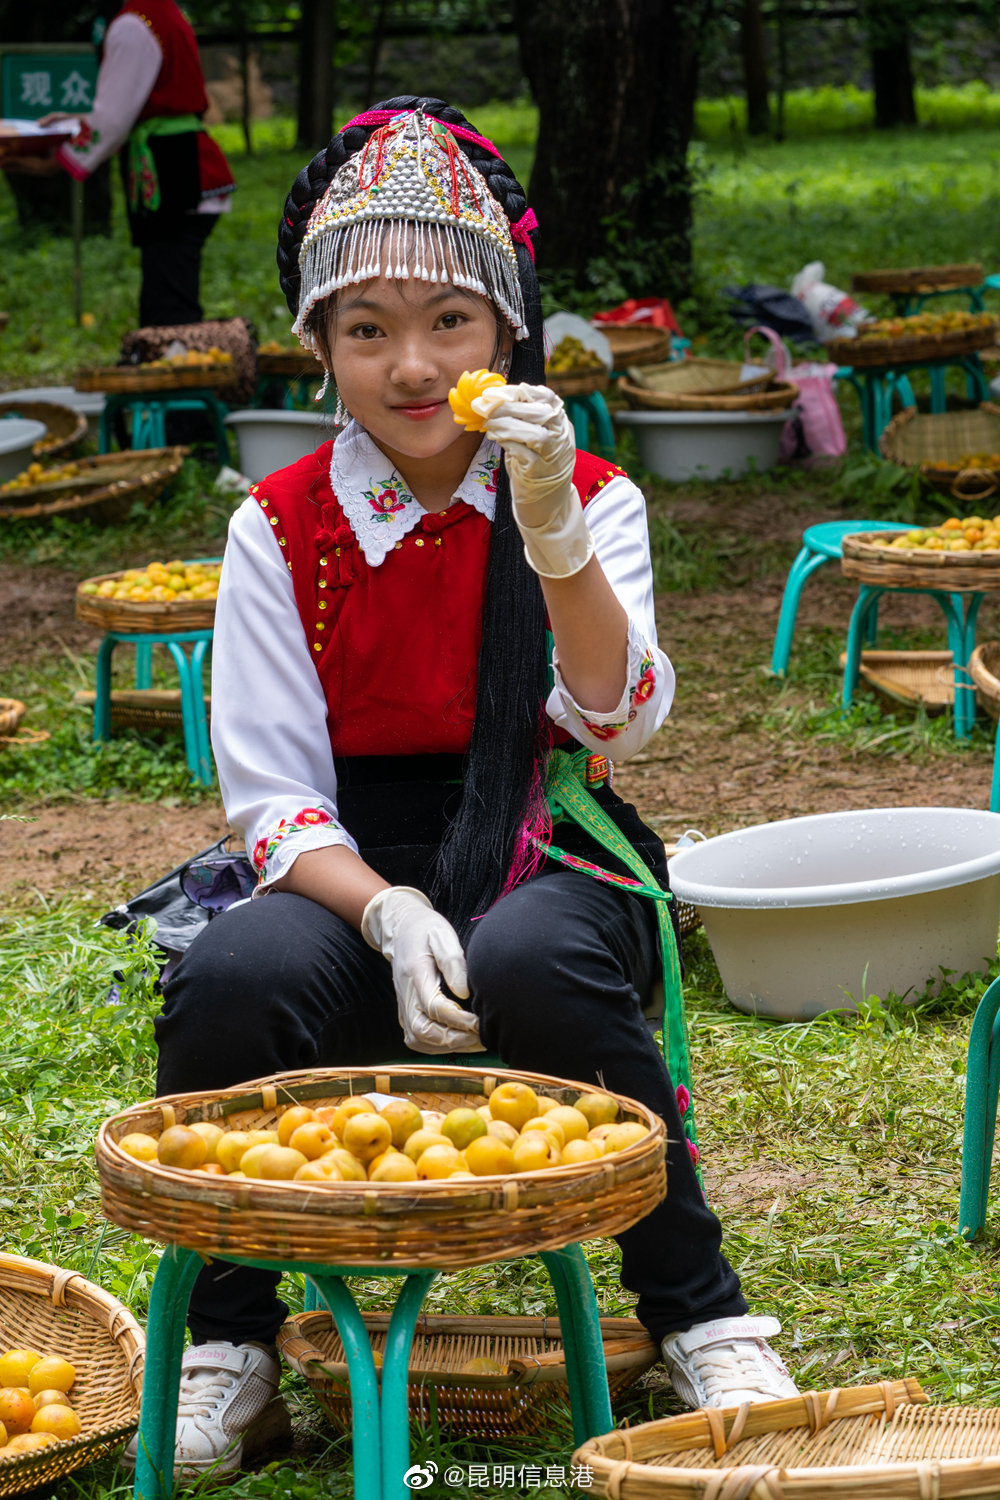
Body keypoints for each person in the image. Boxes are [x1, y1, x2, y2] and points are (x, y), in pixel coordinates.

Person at [146, 95, 799, 1480]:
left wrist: (551, 524)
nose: (409, 361)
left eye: (450, 319)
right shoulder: (279, 527)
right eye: (365, 326)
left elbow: (617, 715)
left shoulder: (589, 492)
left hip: (546, 828)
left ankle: (699, 1306)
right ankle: (230, 1348)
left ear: (507, 333)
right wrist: (381, 911)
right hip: (345, 854)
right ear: (315, 344)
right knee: (230, 980)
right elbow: (269, 795)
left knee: (539, 962)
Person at [29, 0, 234, 326]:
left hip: (173, 172)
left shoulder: (133, 23)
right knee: (168, 287)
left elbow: (113, 119)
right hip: (181, 165)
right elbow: (143, 104)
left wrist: (59, 160)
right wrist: (79, 122)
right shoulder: (163, 11)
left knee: (168, 302)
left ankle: (174, 365)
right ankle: (172, 360)